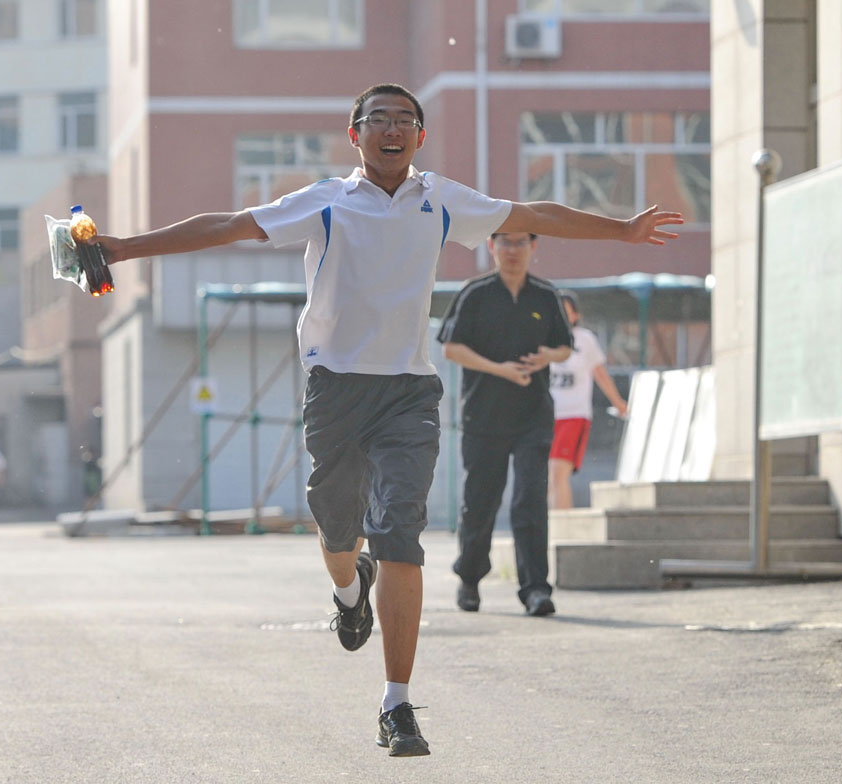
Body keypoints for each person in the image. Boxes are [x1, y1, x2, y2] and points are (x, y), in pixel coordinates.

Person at [90, 82, 682, 757]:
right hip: (336, 390)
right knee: (338, 527)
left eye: (406, 120)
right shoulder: (326, 202)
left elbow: (532, 210)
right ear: (356, 135)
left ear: (420, 137)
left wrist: (624, 230)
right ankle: (349, 589)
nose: (393, 129)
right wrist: (124, 248)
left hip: (409, 390)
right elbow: (228, 225)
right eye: (379, 120)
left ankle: (397, 704)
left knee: (399, 531)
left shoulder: (441, 199)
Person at [438, 233, 571, 617]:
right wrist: (500, 370)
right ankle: (470, 578)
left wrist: (549, 355)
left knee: (530, 500)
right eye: (504, 243)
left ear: (534, 247)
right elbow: (450, 347)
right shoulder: (475, 293)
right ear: (491, 247)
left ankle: (535, 589)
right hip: (484, 416)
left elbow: (564, 346)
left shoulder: (546, 295)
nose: (512, 251)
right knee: (481, 502)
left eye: (520, 243)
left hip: (533, 415)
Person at [549, 292, 629, 510]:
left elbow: (600, 375)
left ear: (575, 315)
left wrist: (618, 402)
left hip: (573, 416)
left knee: (558, 472)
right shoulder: (543, 338)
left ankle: (561, 531)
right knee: (546, 478)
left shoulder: (585, 340)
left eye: (566, 312)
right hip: (546, 416)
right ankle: (547, 532)